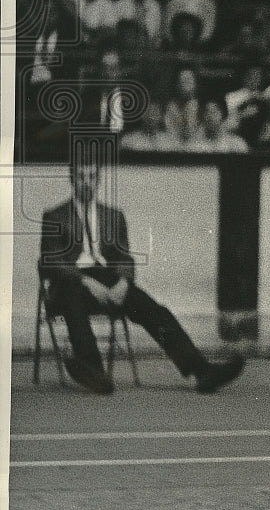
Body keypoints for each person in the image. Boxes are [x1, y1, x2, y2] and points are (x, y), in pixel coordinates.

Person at [39, 154, 245, 395]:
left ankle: (201, 371)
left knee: (150, 308)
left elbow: (124, 256)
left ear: (98, 181)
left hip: (107, 278)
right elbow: (50, 261)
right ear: (72, 180)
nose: (87, 182)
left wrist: (124, 282)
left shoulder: (112, 215)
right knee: (73, 303)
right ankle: (94, 371)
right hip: (71, 281)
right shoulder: (55, 215)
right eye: (81, 177)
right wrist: (85, 281)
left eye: (92, 177)